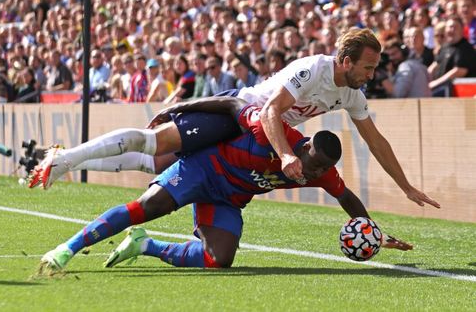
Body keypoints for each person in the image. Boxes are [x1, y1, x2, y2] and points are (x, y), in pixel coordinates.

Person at [30, 28, 440, 209]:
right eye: (368, 68)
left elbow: (376, 140)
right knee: (153, 144)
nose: (371, 76)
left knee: (159, 165)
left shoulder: (351, 91)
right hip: (240, 115)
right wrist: (284, 155)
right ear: (346, 61)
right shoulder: (313, 68)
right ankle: (65, 159)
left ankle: (69, 159)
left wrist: (405, 187)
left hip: (266, 135)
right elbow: (270, 110)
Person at [39, 100, 412, 272]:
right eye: (311, 165)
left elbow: (346, 197)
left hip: (230, 198)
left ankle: (146, 245)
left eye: (318, 172)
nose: (309, 175)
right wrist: (180, 108)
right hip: (202, 169)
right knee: (147, 206)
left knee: (220, 260)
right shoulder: (273, 132)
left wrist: (374, 233)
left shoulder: (322, 171)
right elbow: (232, 104)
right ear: (304, 147)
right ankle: (67, 248)